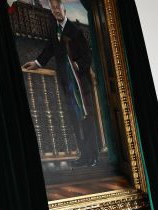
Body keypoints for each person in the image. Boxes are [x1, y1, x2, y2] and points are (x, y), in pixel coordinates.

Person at [22, 0, 99, 167]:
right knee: (75, 119)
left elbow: (87, 57)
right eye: (53, 8)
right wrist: (37, 63)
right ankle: (83, 155)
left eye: (58, 8)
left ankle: (92, 156)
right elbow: (49, 49)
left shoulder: (76, 31)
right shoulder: (55, 30)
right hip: (67, 86)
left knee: (86, 119)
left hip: (79, 85)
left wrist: (77, 66)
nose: (56, 11)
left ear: (64, 9)